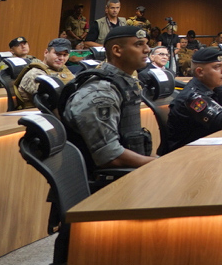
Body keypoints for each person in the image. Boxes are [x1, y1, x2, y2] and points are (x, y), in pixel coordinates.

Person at [61, 25, 157, 171]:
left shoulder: (122, 82)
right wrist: (160, 163)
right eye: (139, 44)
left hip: (130, 174)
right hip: (106, 181)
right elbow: (110, 156)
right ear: (117, 50)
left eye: (146, 44)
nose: (147, 49)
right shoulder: (101, 92)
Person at [16, 38, 75, 108]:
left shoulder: (64, 70)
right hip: (37, 112)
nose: (61, 58)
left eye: (65, 55)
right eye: (57, 54)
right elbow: (51, 100)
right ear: (46, 53)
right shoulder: (35, 74)